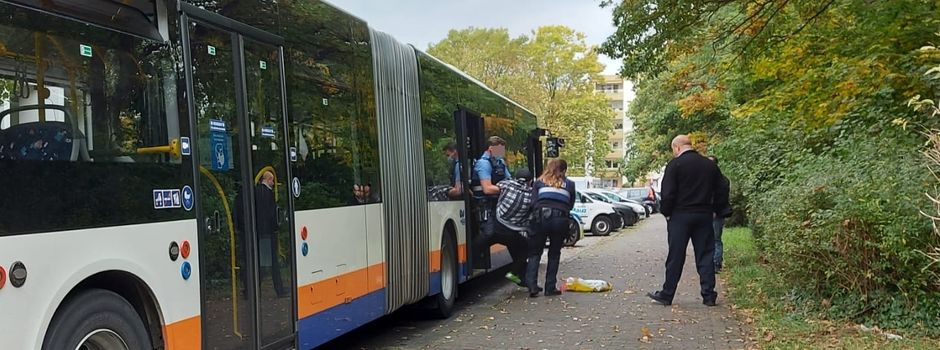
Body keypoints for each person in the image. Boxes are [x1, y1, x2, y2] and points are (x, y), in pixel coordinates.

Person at [648, 135, 729, 306]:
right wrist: (718, 209)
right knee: (705, 255)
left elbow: (668, 192)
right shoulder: (709, 165)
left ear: (676, 147)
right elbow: (722, 187)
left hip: (680, 216)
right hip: (704, 215)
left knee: (675, 256)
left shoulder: (674, 165)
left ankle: (667, 294)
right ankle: (708, 296)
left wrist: (667, 213)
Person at [525, 159, 576, 297]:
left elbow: (533, 203)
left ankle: (532, 286)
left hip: (540, 219)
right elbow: (570, 205)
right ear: (564, 170)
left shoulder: (539, 182)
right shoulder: (570, 184)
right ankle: (550, 287)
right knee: (554, 254)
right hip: (560, 220)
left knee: (535, 253)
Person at [470, 136, 509, 267]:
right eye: (500, 150)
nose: (502, 154)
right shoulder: (483, 163)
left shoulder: (500, 163)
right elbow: (487, 189)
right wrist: (505, 188)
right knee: (488, 233)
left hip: (497, 204)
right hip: (484, 204)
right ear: (491, 148)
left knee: (510, 235)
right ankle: (472, 255)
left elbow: (509, 181)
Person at [494, 168, 535, 286]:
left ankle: (521, 278)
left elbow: (494, 187)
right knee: (526, 248)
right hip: (513, 229)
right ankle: (513, 273)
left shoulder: (507, 185)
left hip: (498, 222)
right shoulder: (531, 194)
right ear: (530, 181)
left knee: (516, 246)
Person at [256, 171, 286, 297]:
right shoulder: (268, 193)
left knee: (262, 261)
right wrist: (275, 226)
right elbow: (271, 214)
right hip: (268, 231)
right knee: (272, 261)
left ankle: (253, 289)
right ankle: (279, 289)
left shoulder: (256, 191)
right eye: (272, 180)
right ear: (268, 179)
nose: (273, 183)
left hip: (260, 231)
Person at [707, 156, 733, 273]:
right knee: (711, 239)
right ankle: (712, 263)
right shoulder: (722, 179)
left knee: (716, 239)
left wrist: (714, 210)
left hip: (716, 213)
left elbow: (721, 198)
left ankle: (716, 263)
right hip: (711, 213)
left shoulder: (721, 181)